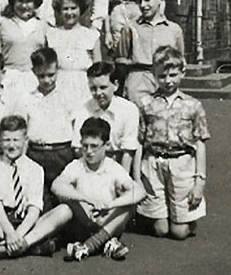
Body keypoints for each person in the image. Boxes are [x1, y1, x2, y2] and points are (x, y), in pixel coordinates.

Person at [0, 115, 71, 262]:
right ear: (0, 140)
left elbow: (34, 208)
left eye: (16, 140)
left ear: (25, 141)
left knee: (65, 210)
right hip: (1, 223)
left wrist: (18, 235)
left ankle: (8, 248)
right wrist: (9, 233)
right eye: (7, 140)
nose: (12, 145)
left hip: (28, 222)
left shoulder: (35, 168)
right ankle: (32, 246)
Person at [137, 46, 209, 240]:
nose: (168, 81)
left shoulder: (193, 105)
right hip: (153, 164)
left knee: (179, 233)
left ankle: (182, 218)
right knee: (161, 230)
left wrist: (199, 181)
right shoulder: (145, 103)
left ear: (182, 72)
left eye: (173, 75)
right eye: (161, 76)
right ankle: (162, 212)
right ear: (153, 75)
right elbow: (139, 142)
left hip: (182, 164)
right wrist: (137, 178)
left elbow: (200, 142)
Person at [52, 117, 145, 261]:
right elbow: (56, 185)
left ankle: (88, 246)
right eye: (85, 146)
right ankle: (105, 244)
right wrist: (87, 200)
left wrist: (111, 205)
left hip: (107, 220)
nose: (89, 151)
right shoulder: (76, 165)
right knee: (67, 200)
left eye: (94, 146)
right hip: (84, 221)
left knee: (129, 205)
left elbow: (139, 192)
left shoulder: (113, 167)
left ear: (106, 145)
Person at [18, 47, 79, 211]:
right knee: (39, 198)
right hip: (36, 153)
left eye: (51, 75)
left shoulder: (67, 95)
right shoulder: (28, 97)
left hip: (62, 152)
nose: (46, 80)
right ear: (33, 72)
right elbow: (23, 132)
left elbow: (76, 126)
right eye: (41, 75)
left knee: (64, 198)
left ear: (57, 69)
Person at [119, 0, 184, 106]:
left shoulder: (174, 30)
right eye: (139, 1)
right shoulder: (130, 28)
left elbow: (179, 59)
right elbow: (121, 59)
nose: (143, 5)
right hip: (138, 81)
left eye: (147, 0)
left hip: (165, 81)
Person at [72, 62, 141, 175]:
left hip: (119, 164)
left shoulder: (129, 109)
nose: (98, 93)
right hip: (89, 164)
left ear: (116, 85)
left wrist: (121, 179)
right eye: (93, 88)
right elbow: (77, 149)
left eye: (103, 87)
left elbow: (128, 151)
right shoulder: (83, 109)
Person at [46, 0, 101, 109]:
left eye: (73, 8)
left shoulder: (91, 35)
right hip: (59, 84)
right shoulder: (52, 34)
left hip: (84, 86)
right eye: (65, 9)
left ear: (80, 9)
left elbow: (98, 68)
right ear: (59, 11)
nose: (69, 12)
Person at [0, 0, 47, 92]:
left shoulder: (43, 26)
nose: (24, 6)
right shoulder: (2, 24)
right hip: (8, 78)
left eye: (28, 1)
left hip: (35, 79)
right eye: (20, 1)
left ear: (35, 3)